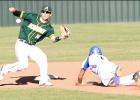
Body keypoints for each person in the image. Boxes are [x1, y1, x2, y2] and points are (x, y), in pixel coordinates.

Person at [0, 6, 70, 86]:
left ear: (50, 14)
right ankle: (4, 69)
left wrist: (61, 37)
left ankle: (43, 81)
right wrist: (14, 11)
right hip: (21, 44)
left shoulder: (49, 28)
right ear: (41, 12)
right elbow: (20, 14)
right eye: (43, 11)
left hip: (31, 47)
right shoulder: (32, 17)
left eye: (47, 12)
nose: (45, 13)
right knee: (23, 65)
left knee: (43, 57)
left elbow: (53, 39)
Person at [76, 46, 140, 86]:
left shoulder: (88, 58)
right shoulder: (103, 57)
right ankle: (133, 76)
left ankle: (114, 77)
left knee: (113, 82)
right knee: (115, 79)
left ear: (90, 53)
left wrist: (79, 83)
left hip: (102, 70)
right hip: (110, 65)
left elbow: (80, 75)